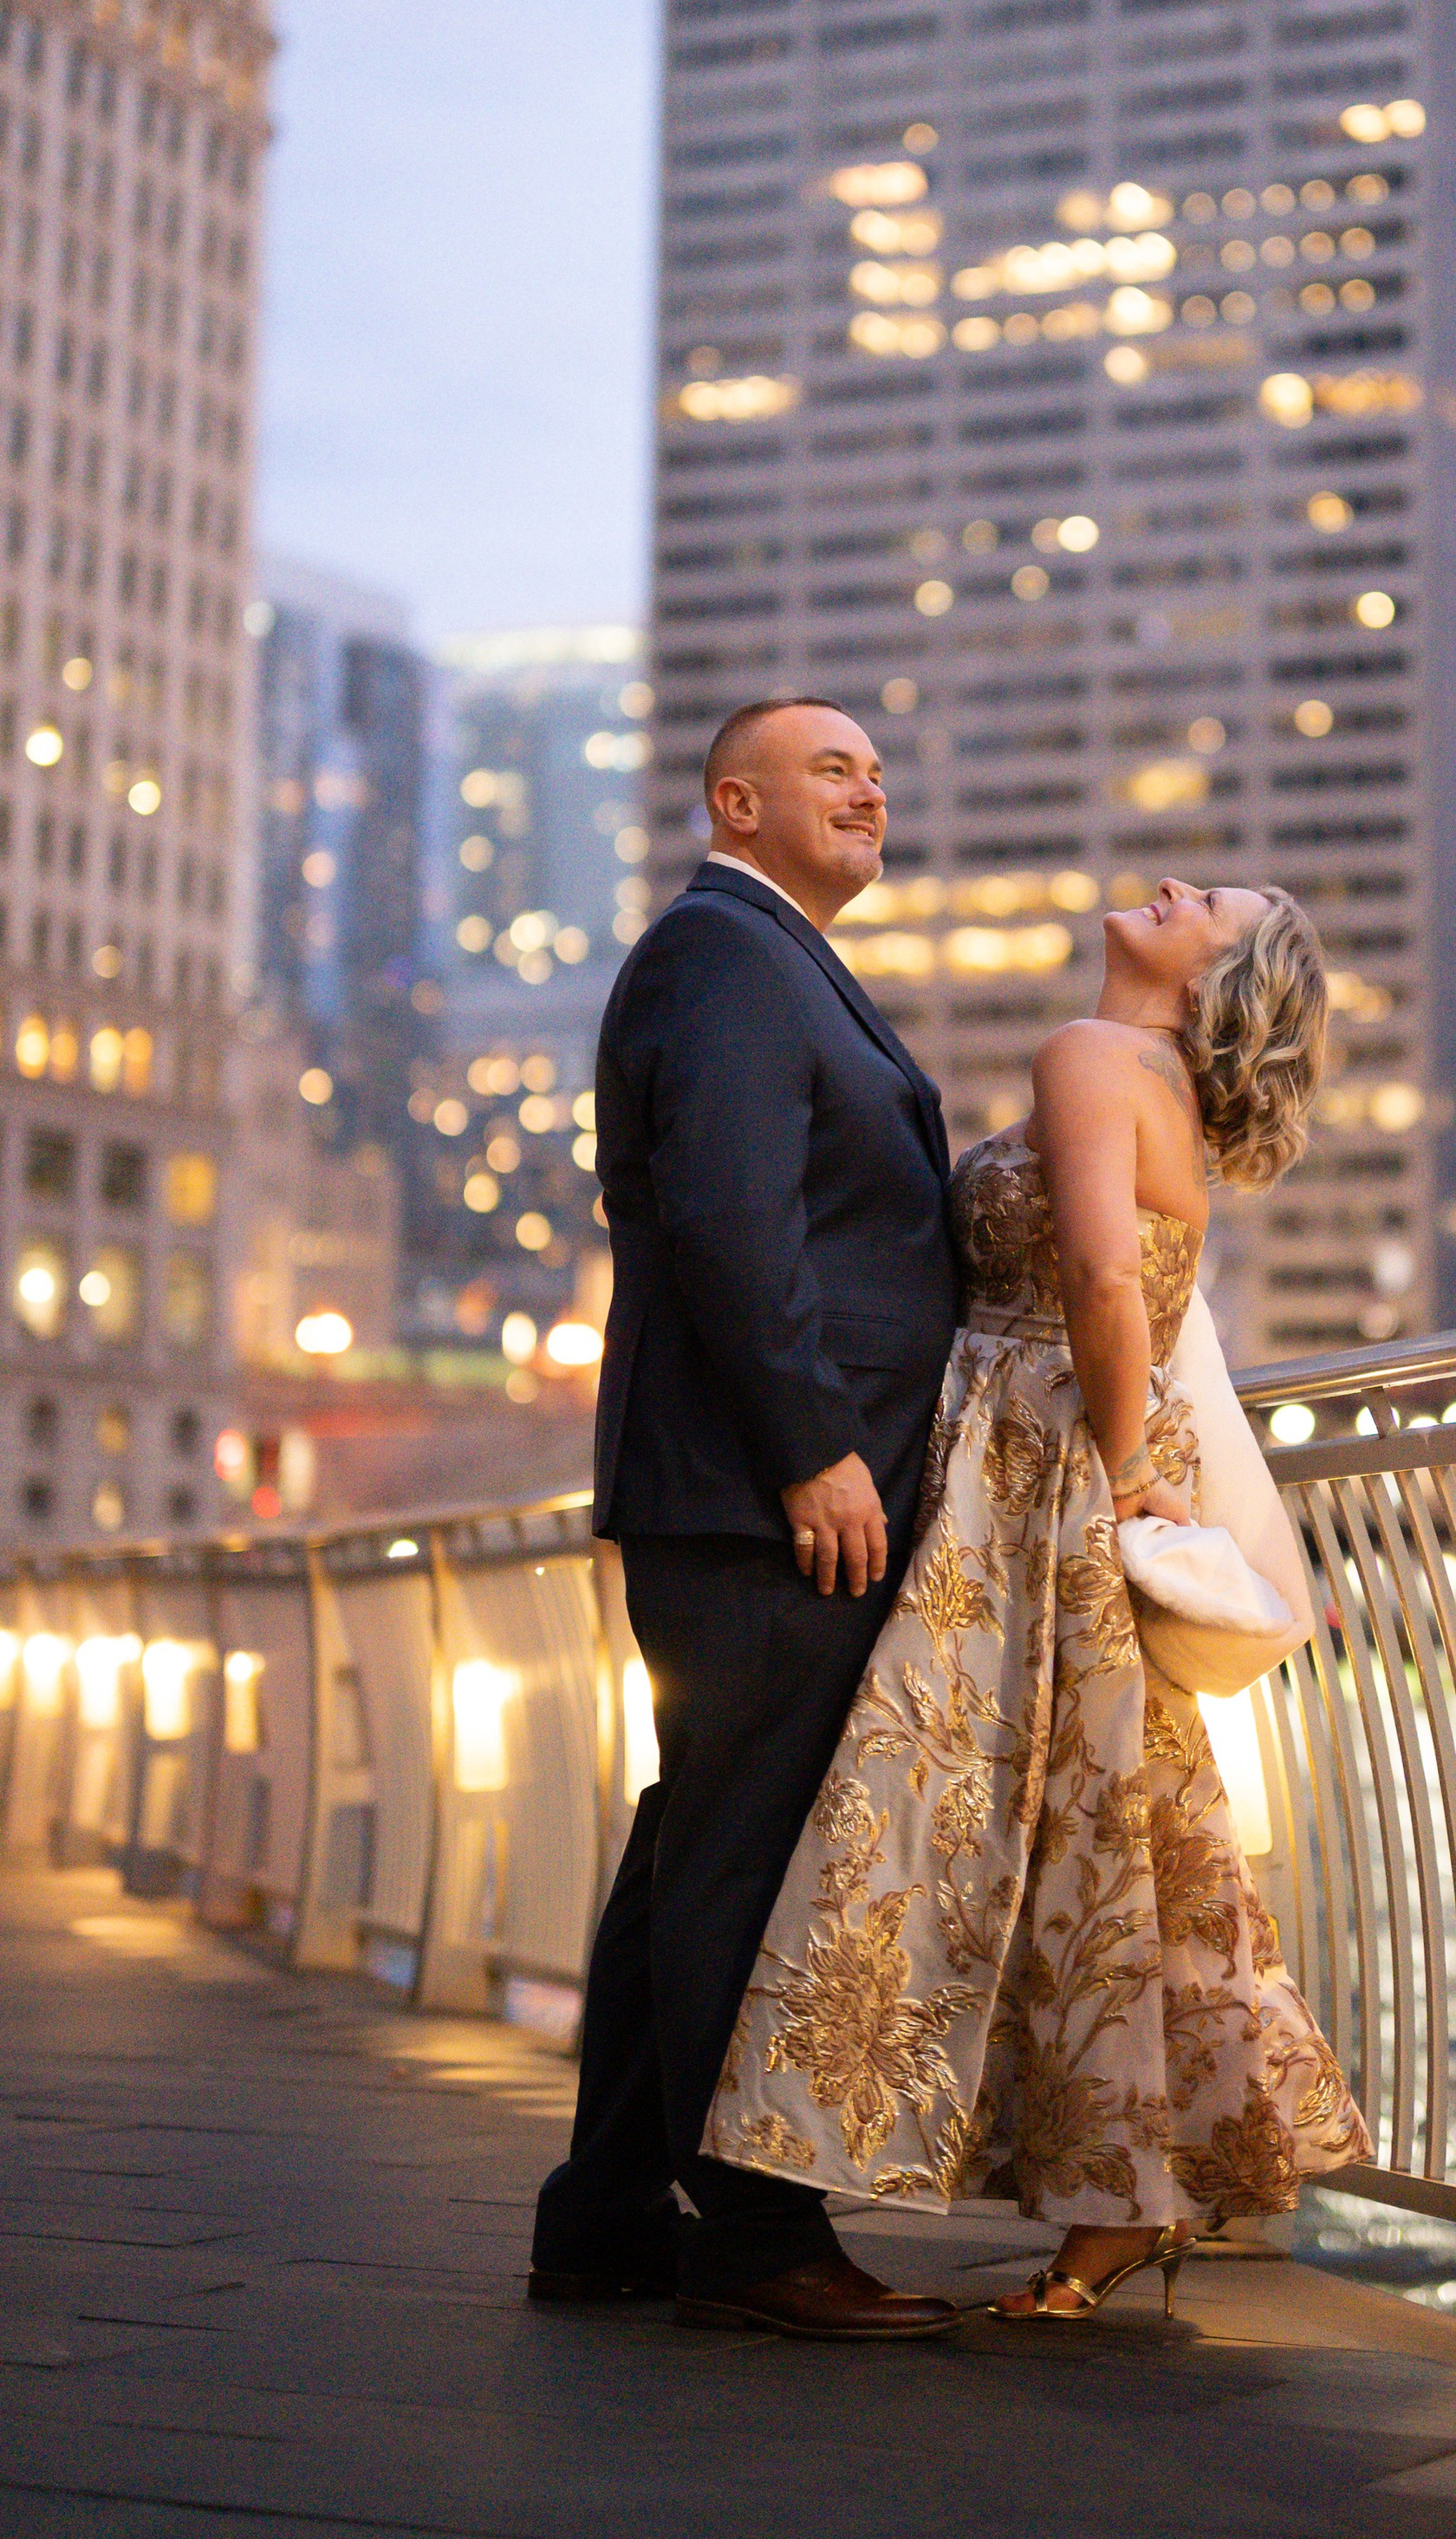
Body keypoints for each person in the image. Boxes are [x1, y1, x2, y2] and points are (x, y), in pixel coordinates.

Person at [702, 873, 1370, 2321]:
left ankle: (936, 2163)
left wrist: (1120, 1474)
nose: (1173, 884)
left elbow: (1101, 1279)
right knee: (1107, 1824)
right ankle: (1120, 2201)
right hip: (1064, 1450)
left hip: (1039, 1463)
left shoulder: (1090, 1054)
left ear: (1213, 977)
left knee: (951, 1801)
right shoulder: (1152, 1081)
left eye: (1213, 901)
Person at [530, 694, 965, 2340]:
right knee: (746, 1849)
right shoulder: (724, 955)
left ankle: (607, 2218)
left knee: (695, 1842)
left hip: (754, 1483)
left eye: (874, 765)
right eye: (829, 767)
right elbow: (725, 1217)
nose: (869, 785)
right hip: (761, 1490)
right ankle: (757, 2230)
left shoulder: (777, 959)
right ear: (737, 801)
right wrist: (812, 1448)